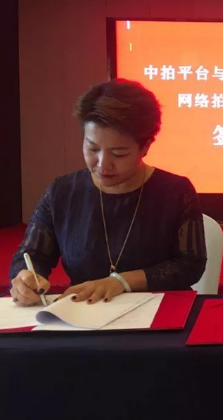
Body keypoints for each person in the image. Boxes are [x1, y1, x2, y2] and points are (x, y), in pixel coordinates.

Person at [9, 78, 207, 306]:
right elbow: (32, 254)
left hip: (160, 312)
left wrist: (121, 282)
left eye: (119, 154)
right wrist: (26, 277)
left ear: (145, 147)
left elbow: (190, 264)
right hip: (85, 313)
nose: (103, 164)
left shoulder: (176, 192)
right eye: (92, 148)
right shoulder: (62, 192)